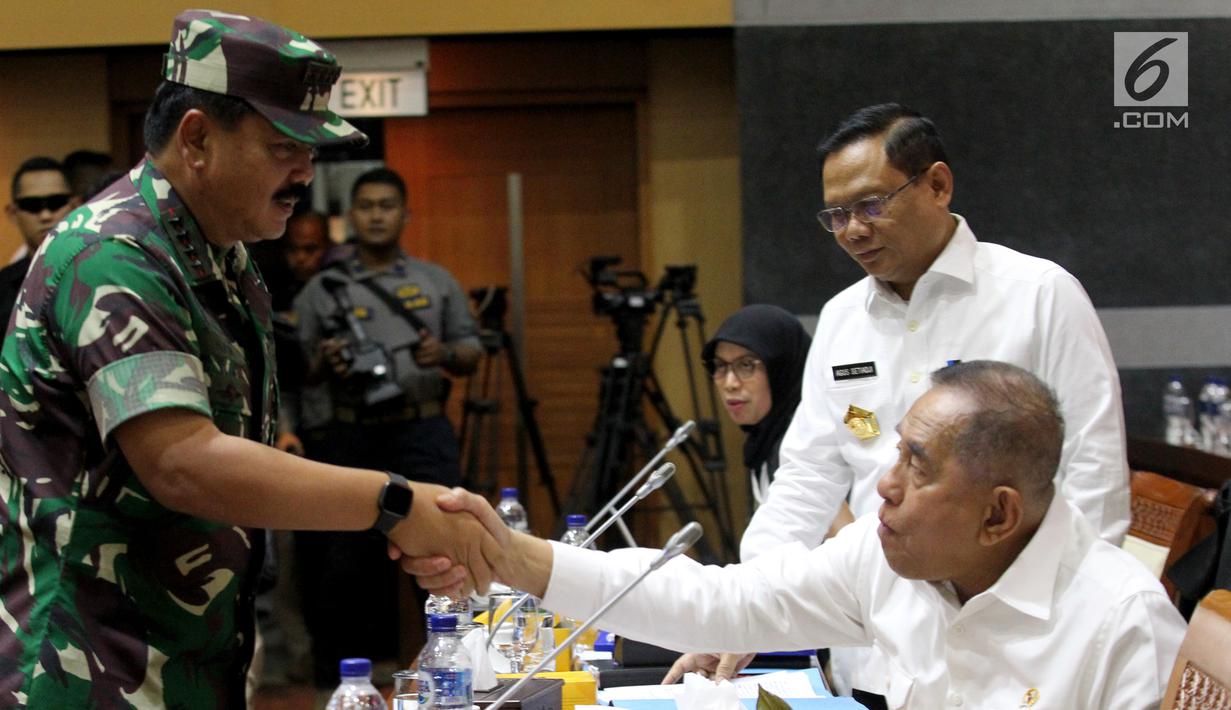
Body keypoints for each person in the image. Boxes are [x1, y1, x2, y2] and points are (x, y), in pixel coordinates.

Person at [0, 11, 499, 708]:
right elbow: (184, 463)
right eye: (282, 147)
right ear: (197, 138)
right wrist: (392, 502)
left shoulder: (221, 253)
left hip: (185, 645)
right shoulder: (113, 254)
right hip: (89, 659)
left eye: (311, 151)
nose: (304, 172)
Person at [416, 361, 1187, 710]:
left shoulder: (1121, 626)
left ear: (998, 515)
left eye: (916, 469)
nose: (881, 487)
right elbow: (719, 603)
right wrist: (517, 558)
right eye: (894, 455)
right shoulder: (888, 556)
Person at [293, 166, 482, 682]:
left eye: (387, 206)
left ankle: (459, 669)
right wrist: (325, 361)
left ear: (405, 215)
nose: (376, 215)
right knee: (344, 562)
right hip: (351, 435)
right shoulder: (321, 290)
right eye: (367, 206)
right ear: (350, 216)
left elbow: (472, 350)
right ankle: (344, 681)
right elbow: (297, 373)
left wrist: (441, 352)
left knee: (446, 548)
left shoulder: (434, 280)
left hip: (421, 431)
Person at [0, 156, 78, 328]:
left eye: (56, 202)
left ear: (75, 206)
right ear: (13, 213)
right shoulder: (3, 288)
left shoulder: (97, 274)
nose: (45, 215)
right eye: (31, 205)